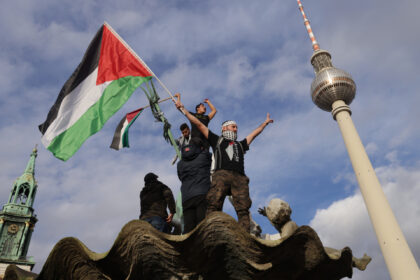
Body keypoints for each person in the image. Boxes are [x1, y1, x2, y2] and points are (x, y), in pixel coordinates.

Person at [175, 100, 273, 232]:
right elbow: (198, 124)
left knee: (243, 209)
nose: (236, 129)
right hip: (221, 175)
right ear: (225, 128)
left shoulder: (240, 144)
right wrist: (184, 111)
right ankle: (212, 232)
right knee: (214, 205)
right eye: (233, 127)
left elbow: (254, 134)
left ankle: (244, 235)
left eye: (236, 127)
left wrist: (265, 124)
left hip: (239, 178)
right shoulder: (217, 140)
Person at [177, 138, 211, 234]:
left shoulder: (180, 163)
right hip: (202, 194)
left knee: (189, 228)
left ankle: (188, 248)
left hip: (186, 197)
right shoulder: (205, 156)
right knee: (203, 225)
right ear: (200, 147)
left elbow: (181, 177)